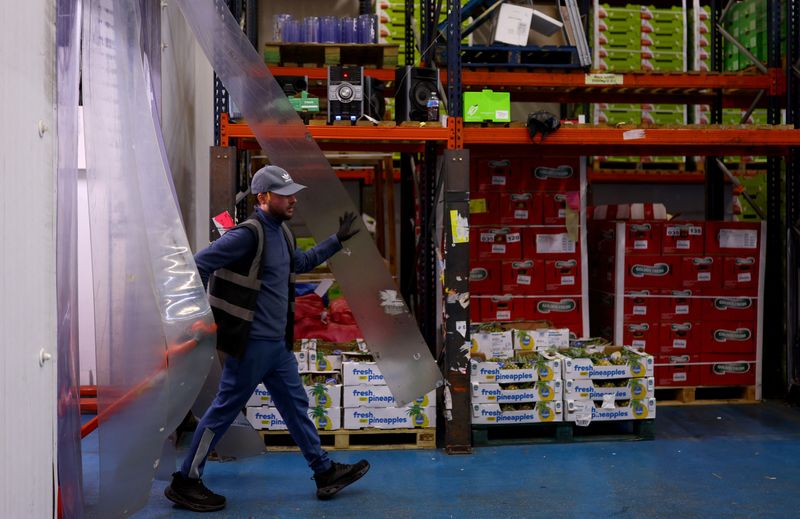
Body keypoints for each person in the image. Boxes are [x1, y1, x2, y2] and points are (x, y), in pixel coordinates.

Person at [165, 165, 368, 512]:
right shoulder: (248, 234)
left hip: (276, 346)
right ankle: (186, 481)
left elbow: (299, 263)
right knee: (222, 413)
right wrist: (198, 318)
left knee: (296, 407)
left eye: (293, 194)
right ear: (263, 197)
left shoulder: (284, 233)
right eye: (285, 195)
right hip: (250, 345)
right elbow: (199, 263)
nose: (293, 201)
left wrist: (336, 241)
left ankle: (324, 472)